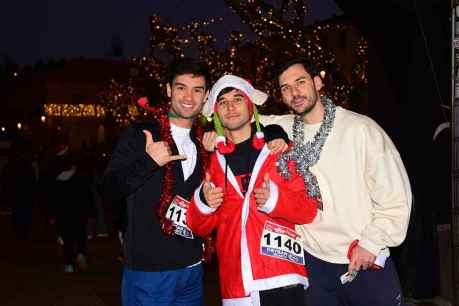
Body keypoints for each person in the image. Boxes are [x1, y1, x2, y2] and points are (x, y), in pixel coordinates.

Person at [258, 57, 412, 306]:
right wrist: (215, 129)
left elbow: (395, 197)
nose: (294, 92)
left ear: (317, 82)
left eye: (300, 82)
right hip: (312, 263)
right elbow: (240, 117)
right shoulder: (284, 128)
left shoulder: (360, 129)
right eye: (286, 88)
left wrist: (371, 243)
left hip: (362, 258)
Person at [187, 75, 319, 306]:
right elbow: (198, 226)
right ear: (215, 112)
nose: (230, 107)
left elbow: (309, 209)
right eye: (222, 101)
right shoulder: (212, 162)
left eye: (238, 99)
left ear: (250, 106)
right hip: (237, 285)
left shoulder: (279, 151)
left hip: (282, 276)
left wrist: (276, 199)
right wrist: (204, 203)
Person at [103, 57, 212, 306]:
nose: (189, 97)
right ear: (168, 90)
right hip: (149, 272)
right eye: (181, 87)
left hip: (193, 270)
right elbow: (109, 189)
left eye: (197, 90)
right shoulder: (142, 134)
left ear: (206, 96)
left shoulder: (205, 142)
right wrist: (148, 162)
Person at [52, 145, 93, 272]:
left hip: (64, 213)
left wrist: (53, 214)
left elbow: (54, 198)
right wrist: (90, 211)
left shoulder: (58, 180)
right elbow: (87, 194)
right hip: (79, 212)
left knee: (67, 239)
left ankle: (69, 263)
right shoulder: (80, 177)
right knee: (80, 235)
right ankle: (81, 253)